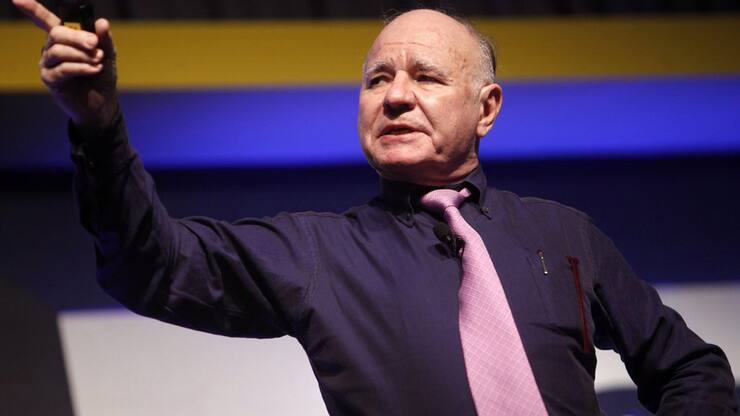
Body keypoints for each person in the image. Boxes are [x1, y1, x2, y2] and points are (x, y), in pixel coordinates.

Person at [13, 1, 738, 414]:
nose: (395, 96)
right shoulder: (317, 255)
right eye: (376, 79)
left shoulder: (564, 234)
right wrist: (98, 128)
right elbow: (152, 265)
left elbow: (692, 370)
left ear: (487, 108)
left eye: (426, 77)